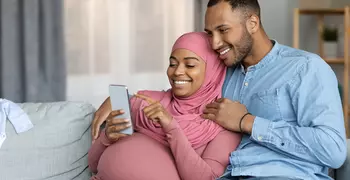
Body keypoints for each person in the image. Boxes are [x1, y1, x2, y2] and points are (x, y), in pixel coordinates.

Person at [91, 0, 348, 179]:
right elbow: (178, 96)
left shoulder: (306, 68)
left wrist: (248, 122)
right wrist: (120, 99)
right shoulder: (225, 72)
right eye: (209, 33)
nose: (214, 43)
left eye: (223, 30)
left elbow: (334, 150)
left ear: (252, 23)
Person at [88, 32, 241, 180]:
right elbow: (93, 165)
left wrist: (171, 127)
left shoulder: (222, 125)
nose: (177, 71)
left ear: (212, 71)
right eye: (173, 64)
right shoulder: (145, 102)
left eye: (190, 65)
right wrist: (106, 138)